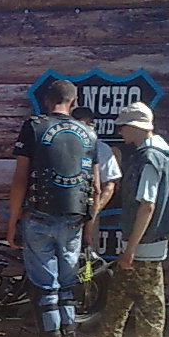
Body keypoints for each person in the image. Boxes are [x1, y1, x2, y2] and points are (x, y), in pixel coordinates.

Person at [80, 102, 169, 337]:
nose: (120, 131)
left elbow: (147, 205)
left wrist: (131, 250)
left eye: (123, 126)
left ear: (135, 127)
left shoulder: (150, 158)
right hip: (139, 243)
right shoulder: (155, 154)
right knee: (118, 296)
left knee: (149, 303)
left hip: (146, 245)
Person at [7, 79, 100, 337]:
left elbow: (20, 178)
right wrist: (88, 229)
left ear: (47, 101)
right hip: (74, 220)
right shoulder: (89, 133)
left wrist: (12, 222)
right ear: (74, 102)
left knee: (46, 290)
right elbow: (96, 188)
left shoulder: (33, 127)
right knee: (66, 290)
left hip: (39, 216)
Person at [72, 106, 122, 252]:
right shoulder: (61, 145)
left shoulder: (102, 148)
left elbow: (110, 185)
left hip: (90, 212)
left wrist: (94, 210)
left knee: (87, 254)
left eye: (87, 124)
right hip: (63, 212)